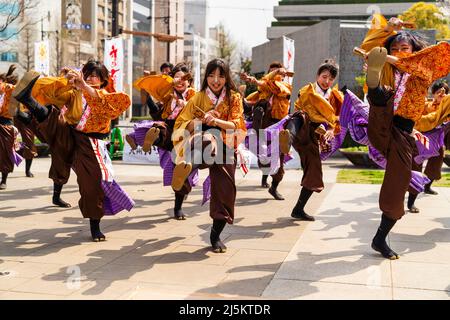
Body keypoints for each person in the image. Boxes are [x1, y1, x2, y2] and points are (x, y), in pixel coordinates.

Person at [13, 59, 135, 241]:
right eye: (88, 75)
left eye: (95, 76)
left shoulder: (107, 96)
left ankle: (95, 226)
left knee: (92, 184)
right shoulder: (75, 94)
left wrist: (85, 86)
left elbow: (119, 104)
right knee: (53, 118)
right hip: (70, 135)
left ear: (102, 80)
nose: (91, 78)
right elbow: (53, 97)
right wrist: (65, 81)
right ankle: (26, 99)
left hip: (91, 144)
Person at [360, 15, 450, 259]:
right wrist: (387, 30)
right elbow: (371, 46)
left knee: (396, 185)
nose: (399, 52)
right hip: (381, 122)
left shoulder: (423, 71)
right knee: (381, 95)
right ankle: (375, 88)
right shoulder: (390, 70)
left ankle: (380, 238)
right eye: (394, 48)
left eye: (404, 48)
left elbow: (410, 64)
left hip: (402, 133)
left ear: (414, 50)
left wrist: (386, 57)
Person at [171, 58, 247, 253]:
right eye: (211, 75)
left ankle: (215, 235)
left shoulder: (234, 98)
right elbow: (181, 124)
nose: (216, 80)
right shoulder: (197, 98)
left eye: (220, 76)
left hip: (227, 147)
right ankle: (188, 167)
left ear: (226, 77)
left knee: (225, 193)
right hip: (202, 141)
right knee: (207, 140)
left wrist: (215, 120)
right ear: (206, 77)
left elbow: (236, 125)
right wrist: (199, 120)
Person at [126, 63, 196, 219]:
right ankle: (149, 139)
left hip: (185, 131)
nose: (180, 80)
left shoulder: (194, 94)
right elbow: (151, 104)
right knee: (158, 128)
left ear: (189, 81)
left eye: (184, 78)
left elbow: (198, 110)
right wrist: (146, 81)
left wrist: (185, 104)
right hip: (168, 126)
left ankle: (178, 208)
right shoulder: (167, 93)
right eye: (176, 77)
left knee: (180, 173)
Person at [279, 60, 343, 221]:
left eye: (330, 78)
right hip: (300, 127)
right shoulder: (308, 90)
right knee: (300, 116)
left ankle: (298, 209)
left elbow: (336, 120)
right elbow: (301, 107)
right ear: (317, 76)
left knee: (313, 172)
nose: (326, 81)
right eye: (324, 77)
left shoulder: (335, 97)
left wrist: (330, 130)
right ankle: (287, 139)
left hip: (314, 136)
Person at [241, 62, 292, 200]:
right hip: (262, 125)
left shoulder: (285, 87)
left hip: (278, 125)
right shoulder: (263, 89)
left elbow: (271, 86)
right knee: (263, 155)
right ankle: (265, 177)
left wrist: (257, 80)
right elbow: (255, 95)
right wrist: (243, 99)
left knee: (278, 159)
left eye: (278, 73)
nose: (275, 75)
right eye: (272, 72)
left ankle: (274, 187)